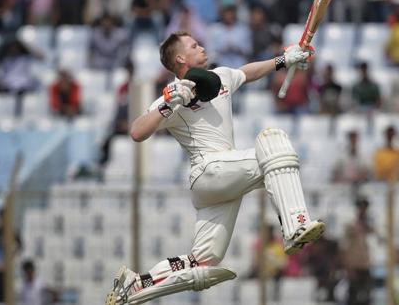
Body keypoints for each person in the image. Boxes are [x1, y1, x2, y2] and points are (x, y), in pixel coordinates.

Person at [106, 31, 322, 304]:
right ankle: (295, 227)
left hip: (221, 183)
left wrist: (283, 60)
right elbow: (137, 132)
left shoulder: (220, 77)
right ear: (181, 58)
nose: (203, 47)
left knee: (203, 261)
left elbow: (247, 72)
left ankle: (136, 285)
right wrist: (167, 106)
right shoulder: (173, 94)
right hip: (208, 170)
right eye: (195, 45)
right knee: (274, 143)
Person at [342, 198, 374, 305]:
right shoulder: (351, 225)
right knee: (353, 297)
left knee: (366, 297)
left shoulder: (370, 224)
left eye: (365, 208)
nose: (364, 210)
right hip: (354, 266)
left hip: (366, 266)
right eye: (361, 207)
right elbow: (344, 247)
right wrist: (348, 267)